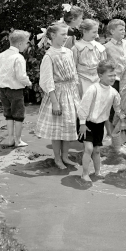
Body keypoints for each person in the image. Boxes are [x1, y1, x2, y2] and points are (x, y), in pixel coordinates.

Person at [35, 23, 80, 168]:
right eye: (63, 34)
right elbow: (47, 80)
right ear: (53, 36)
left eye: (66, 34)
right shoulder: (49, 55)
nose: (65, 37)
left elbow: (74, 74)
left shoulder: (68, 52)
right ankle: (57, 158)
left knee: (69, 126)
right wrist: (54, 102)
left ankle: (65, 156)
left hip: (70, 93)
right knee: (57, 129)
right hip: (57, 95)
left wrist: (76, 95)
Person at [77, 60, 121, 182]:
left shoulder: (113, 92)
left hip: (99, 124)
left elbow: (118, 108)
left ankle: (97, 172)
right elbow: (83, 107)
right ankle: (84, 174)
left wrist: (123, 118)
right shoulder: (93, 89)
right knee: (89, 148)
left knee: (96, 150)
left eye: (114, 75)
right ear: (100, 75)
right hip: (86, 123)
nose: (113, 78)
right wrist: (82, 124)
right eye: (110, 75)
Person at [0, 30, 32, 147]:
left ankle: (10, 139)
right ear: (20, 44)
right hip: (15, 90)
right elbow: (21, 76)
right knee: (18, 115)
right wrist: (28, 83)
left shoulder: (2, 55)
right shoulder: (18, 57)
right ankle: (18, 140)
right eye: (26, 43)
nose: (27, 45)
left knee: (8, 114)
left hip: (2, 90)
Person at [104, 19, 126, 137]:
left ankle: (124, 132)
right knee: (113, 108)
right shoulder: (106, 47)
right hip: (115, 80)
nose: (123, 31)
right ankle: (111, 134)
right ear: (112, 31)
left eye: (124, 29)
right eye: (121, 29)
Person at [72, 19, 107, 98]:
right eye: (94, 32)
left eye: (97, 32)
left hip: (97, 80)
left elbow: (104, 65)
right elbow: (73, 66)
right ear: (84, 31)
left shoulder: (99, 47)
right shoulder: (77, 48)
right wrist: (75, 81)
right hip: (82, 81)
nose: (96, 34)